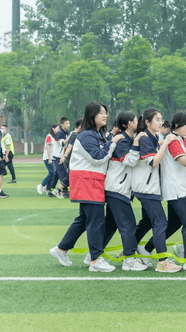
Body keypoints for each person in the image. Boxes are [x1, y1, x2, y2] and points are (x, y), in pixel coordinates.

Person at [49, 102, 122, 272]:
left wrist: (110, 138)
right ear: (92, 115)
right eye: (101, 113)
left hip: (92, 181)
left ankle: (61, 249)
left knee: (84, 220)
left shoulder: (95, 134)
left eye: (106, 112)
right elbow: (98, 158)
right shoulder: (87, 135)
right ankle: (95, 260)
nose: (105, 116)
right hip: (87, 181)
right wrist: (113, 142)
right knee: (96, 221)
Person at [141, 112, 186, 272]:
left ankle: (146, 249)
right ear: (177, 125)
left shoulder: (176, 139)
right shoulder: (173, 141)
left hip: (175, 189)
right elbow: (185, 161)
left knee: (174, 224)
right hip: (177, 190)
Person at [96, 111, 148, 271]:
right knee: (128, 224)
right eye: (133, 120)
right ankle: (129, 259)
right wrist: (138, 142)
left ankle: (94, 254)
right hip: (117, 189)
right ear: (126, 124)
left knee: (111, 225)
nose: (136, 122)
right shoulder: (123, 140)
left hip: (118, 188)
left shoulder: (127, 139)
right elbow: (130, 161)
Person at [132, 108, 182, 273]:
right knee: (160, 222)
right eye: (158, 119)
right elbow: (153, 162)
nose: (161, 122)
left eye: (161, 119)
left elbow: (156, 147)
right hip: (147, 189)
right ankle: (162, 262)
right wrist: (166, 143)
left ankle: (128, 251)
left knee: (147, 222)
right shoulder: (145, 138)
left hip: (148, 188)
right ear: (147, 122)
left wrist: (163, 141)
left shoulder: (153, 137)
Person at [49, 117, 72, 199]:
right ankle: (63, 191)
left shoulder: (65, 132)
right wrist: (70, 136)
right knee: (63, 174)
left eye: (69, 123)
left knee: (57, 174)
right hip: (57, 157)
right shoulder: (60, 133)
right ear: (62, 124)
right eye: (66, 123)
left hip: (61, 157)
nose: (68, 125)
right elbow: (62, 143)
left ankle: (50, 190)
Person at [37, 124, 59, 196]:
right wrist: (49, 159)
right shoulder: (49, 137)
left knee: (53, 173)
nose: (58, 130)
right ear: (53, 129)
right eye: (57, 128)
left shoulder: (55, 137)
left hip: (53, 158)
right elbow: (48, 149)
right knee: (52, 172)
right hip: (48, 158)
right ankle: (41, 185)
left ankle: (48, 189)